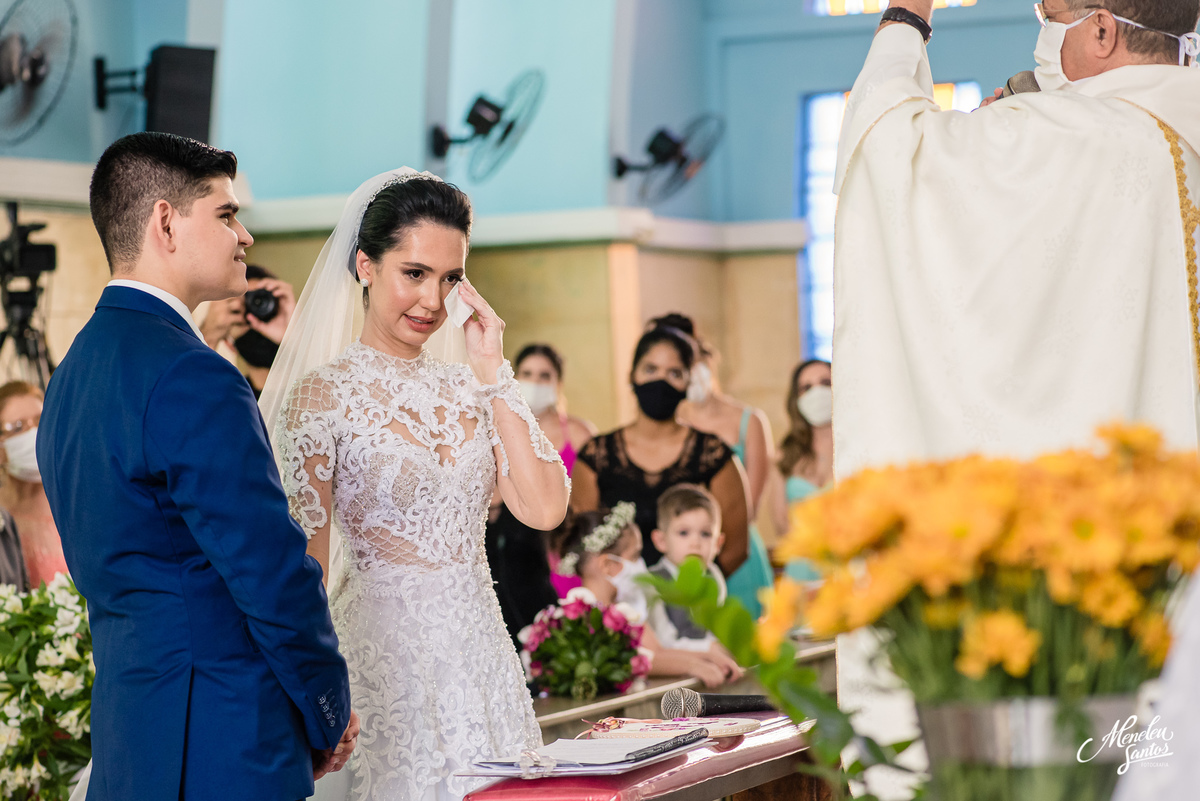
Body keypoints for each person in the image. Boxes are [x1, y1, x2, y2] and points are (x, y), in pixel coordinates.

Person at [834, 3, 1200, 796]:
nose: (1042, 31)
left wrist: (906, 21)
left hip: (1090, 600)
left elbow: (891, 155)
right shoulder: (1144, 128)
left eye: (1054, 14)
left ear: (1102, 33)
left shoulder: (1083, 137)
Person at [37, 132, 357, 800]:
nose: (243, 236)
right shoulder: (192, 373)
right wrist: (326, 707)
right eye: (226, 213)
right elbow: (270, 572)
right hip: (223, 739)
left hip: (132, 736)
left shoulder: (72, 373)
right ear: (165, 222)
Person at [260, 168, 570, 801]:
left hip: (482, 662)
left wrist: (492, 367)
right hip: (379, 669)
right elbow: (307, 571)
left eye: (450, 278)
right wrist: (318, 698)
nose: (432, 300)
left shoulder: (472, 389)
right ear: (366, 266)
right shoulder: (320, 399)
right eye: (414, 273)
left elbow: (542, 509)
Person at [572, 324, 751, 577]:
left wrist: (685, 598)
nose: (661, 381)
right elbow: (584, 544)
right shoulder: (596, 456)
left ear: (688, 382)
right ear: (631, 375)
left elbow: (735, 547)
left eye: (674, 373)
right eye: (650, 369)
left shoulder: (714, 456)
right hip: (619, 603)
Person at [556, 503, 742, 688]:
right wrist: (693, 666)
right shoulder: (581, 615)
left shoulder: (625, 606)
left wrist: (709, 657)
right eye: (635, 555)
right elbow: (633, 660)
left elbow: (656, 651)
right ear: (607, 565)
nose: (642, 564)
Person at [663, 313, 775, 619]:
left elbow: (750, 504)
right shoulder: (674, 423)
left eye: (695, 364)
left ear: (710, 363)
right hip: (684, 554)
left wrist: (714, 549)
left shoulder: (749, 420)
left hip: (736, 550)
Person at [486, 342, 598, 642]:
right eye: (527, 373)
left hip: (564, 548)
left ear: (558, 383)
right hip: (518, 545)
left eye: (544, 375)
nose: (534, 382)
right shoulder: (498, 428)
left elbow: (591, 503)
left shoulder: (579, 433)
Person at [647, 484, 731, 654]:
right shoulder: (653, 583)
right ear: (661, 540)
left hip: (714, 665)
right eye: (684, 533)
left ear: (718, 544)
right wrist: (710, 648)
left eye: (706, 534)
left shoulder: (713, 575)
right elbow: (663, 642)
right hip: (674, 669)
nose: (695, 543)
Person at [0, 381, 68, 588]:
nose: (33, 434)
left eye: (41, 421)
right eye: (17, 427)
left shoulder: (74, 500)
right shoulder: (3, 518)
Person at [772, 359, 832, 584]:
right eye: (806, 387)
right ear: (796, 399)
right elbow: (780, 523)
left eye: (825, 383)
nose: (817, 392)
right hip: (801, 571)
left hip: (848, 566)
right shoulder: (785, 454)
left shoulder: (857, 448)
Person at [199, 263, 297, 398]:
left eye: (260, 303)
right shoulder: (226, 396)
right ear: (228, 343)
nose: (254, 322)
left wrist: (296, 334)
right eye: (239, 311)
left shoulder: (320, 386)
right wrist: (209, 336)